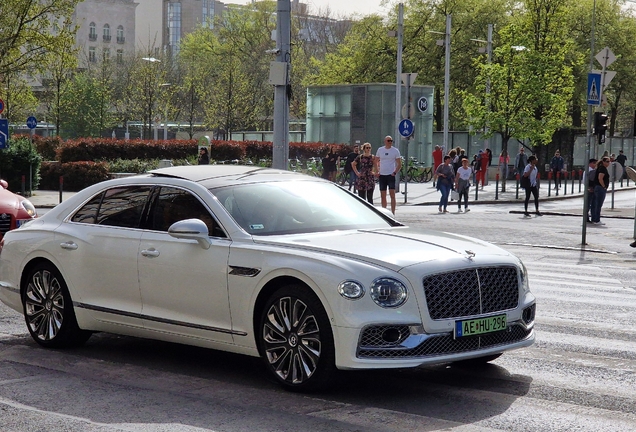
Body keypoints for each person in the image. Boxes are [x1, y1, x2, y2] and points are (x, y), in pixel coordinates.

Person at [375, 135, 401, 214]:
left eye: (391, 141)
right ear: (385, 141)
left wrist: (395, 172)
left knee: (392, 194)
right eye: (388, 141)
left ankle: (393, 212)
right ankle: (384, 213)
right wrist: (377, 171)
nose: (390, 142)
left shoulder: (395, 151)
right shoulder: (380, 150)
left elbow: (399, 164)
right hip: (382, 175)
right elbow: (375, 161)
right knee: (383, 195)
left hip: (390, 175)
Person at [591, 157, 610, 225]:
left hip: (597, 187)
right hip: (600, 188)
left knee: (595, 204)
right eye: (607, 161)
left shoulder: (600, 168)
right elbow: (600, 178)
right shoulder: (602, 168)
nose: (609, 163)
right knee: (598, 204)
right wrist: (604, 186)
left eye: (609, 161)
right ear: (603, 162)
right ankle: (597, 220)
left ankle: (594, 218)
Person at [583, 158, 597, 222]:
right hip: (589, 189)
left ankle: (590, 217)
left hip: (593, 189)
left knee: (592, 204)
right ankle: (586, 217)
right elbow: (585, 180)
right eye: (594, 163)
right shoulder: (588, 170)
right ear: (590, 163)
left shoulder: (594, 170)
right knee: (588, 204)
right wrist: (588, 188)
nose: (595, 164)